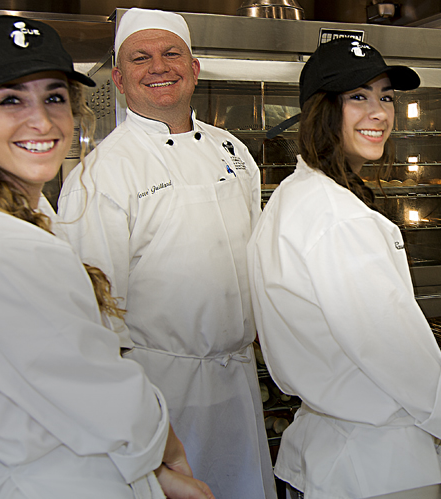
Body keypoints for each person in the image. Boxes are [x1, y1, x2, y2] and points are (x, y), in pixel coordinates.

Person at [0, 15, 213, 499]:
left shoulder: (10, 212)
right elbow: (98, 390)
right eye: (11, 99)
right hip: (50, 477)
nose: (42, 121)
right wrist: (165, 451)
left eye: (53, 98)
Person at [57, 8, 275, 499]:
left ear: (194, 68)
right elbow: (91, 319)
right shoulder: (101, 175)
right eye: (141, 57)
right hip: (160, 390)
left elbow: (256, 260)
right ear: (118, 78)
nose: (159, 66)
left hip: (239, 380)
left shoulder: (233, 151)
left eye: (171, 53)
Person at [248, 38, 441, 499]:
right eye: (358, 96)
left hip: (325, 449)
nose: (380, 113)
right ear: (321, 110)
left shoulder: (293, 196)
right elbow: (385, 340)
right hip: (372, 460)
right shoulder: (337, 216)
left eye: (386, 97)